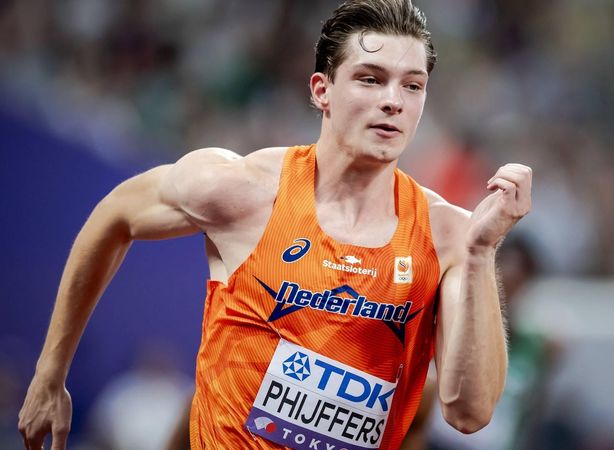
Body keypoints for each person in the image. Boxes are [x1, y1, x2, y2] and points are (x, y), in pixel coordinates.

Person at [17, 1, 532, 449]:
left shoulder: (449, 236)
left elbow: (470, 412)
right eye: (370, 79)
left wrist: (482, 252)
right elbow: (116, 214)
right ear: (322, 90)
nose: (393, 100)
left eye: (412, 85)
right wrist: (50, 371)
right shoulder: (245, 191)